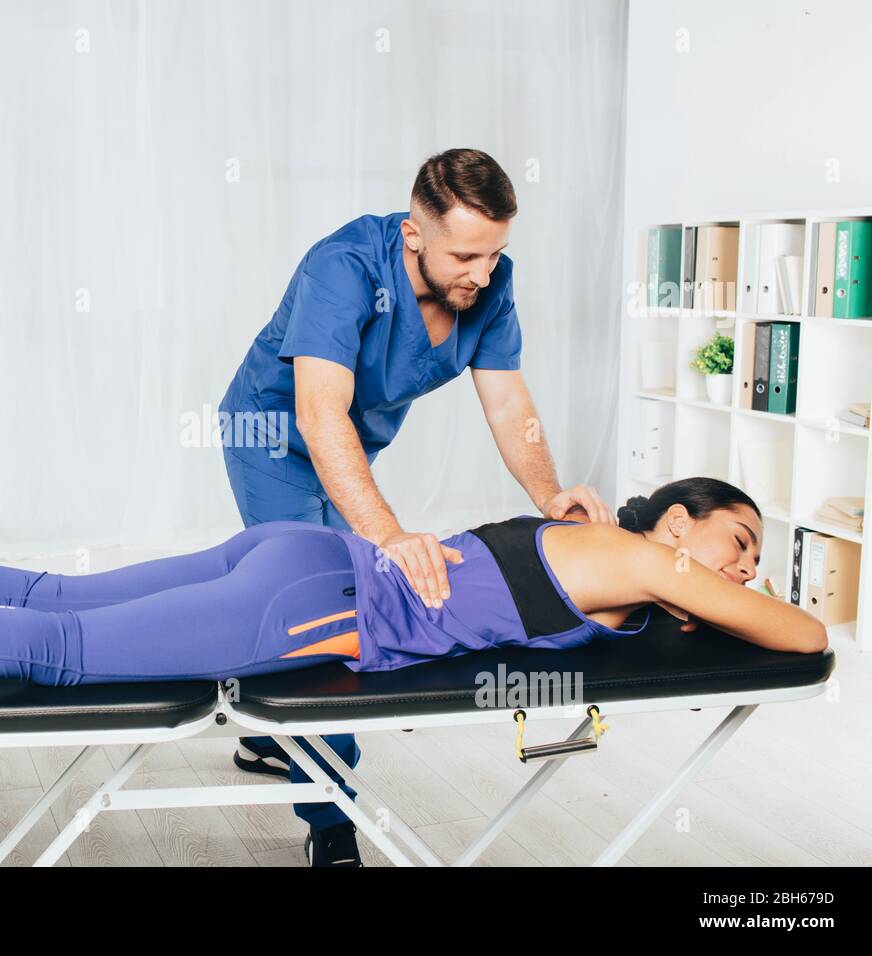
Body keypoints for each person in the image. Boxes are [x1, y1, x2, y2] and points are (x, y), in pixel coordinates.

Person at [0, 474, 827, 838]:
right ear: (676, 521)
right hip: (310, 618)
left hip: (300, 550)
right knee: (56, 645)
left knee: (56, 590)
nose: (738, 569)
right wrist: (727, 595)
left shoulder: (600, 544)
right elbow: (810, 632)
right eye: (737, 542)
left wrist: (691, 594)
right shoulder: (642, 558)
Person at [217, 147, 616, 861]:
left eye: (495, 256)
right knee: (326, 599)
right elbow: (317, 413)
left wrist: (549, 493)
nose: (483, 274)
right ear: (412, 233)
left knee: (337, 590)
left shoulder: (488, 281)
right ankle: (331, 826)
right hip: (274, 436)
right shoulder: (341, 267)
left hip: (349, 446)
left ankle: (267, 738)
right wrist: (390, 534)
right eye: (466, 256)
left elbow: (507, 402)